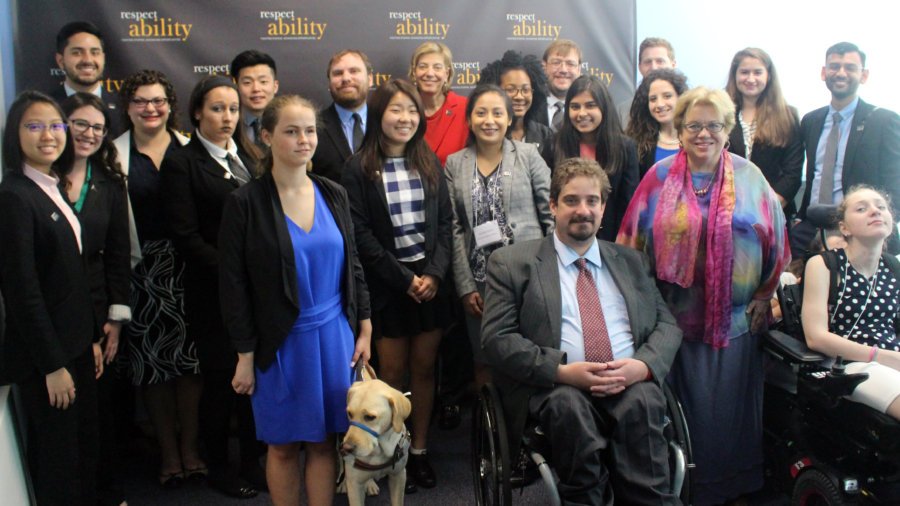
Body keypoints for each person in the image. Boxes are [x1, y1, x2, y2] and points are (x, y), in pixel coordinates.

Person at [617, 86, 790, 505]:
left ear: (727, 130)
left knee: (729, 414)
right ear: (680, 129)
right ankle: (687, 487)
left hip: (735, 325)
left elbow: (778, 242)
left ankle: (732, 488)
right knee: (684, 417)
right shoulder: (656, 179)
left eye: (713, 124)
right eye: (693, 125)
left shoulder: (750, 176)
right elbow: (629, 246)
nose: (703, 133)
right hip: (671, 324)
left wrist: (765, 295)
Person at [481, 157, 682, 505]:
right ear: (553, 205)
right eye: (572, 200)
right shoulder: (513, 263)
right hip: (557, 387)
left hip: (628, 380)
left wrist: (643, 366)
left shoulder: (631, 262)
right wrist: (560, 371)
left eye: (592, 201)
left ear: (603, 208)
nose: (583, 210)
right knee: (568, 407)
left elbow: (667, 325)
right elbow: (497, 338)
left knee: (646, 400)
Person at [220, 94, 372, 505]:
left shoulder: (333, 193)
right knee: (284, 445)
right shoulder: (244, 203)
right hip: (278, 344)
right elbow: (233, 286)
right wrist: (245, 355)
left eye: (309, 131)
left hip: (335, 335)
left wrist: (365, 324)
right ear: (267, 136)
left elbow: (353, 264)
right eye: (291, 131)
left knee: (325, 442)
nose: (303, 139)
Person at [342, 79, 453, 490]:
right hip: (388, 287)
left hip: (429, 285)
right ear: (378, 115)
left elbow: (444, 225)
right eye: (395, 110)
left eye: (411, 110)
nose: (405, 118)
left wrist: (435, 275)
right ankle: (382, 457)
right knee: (388, 376)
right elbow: (360, 234)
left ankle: (417, 451)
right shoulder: (357, 167)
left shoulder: (428, 160)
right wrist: (404, 278)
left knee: (424, 370)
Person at [160, 74, 263, 499]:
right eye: (217, 108)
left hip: (258, 292)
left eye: (233, 109)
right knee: (222, 382)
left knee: (255, 381)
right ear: (198, 111)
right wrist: (233, 273)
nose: (227, 117)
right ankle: (220, 466)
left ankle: (254, 462)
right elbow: (185, 236)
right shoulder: (181, 162)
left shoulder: (251, 156)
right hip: (214, 292)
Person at [0, 90, 97, 505]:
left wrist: (89, 338)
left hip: (74, 345)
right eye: (34, 126)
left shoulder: (50, 187)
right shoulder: (14, 196)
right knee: (57, 463)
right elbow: (23, 292)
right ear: (14, 134)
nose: (48, 135)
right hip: (47, 359)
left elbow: (71, 279)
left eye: (55, 125)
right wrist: (53, 364)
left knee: (78, 454)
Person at [113, 69, 202, 490]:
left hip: (190, 270)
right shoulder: (112, 156)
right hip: (141, 271)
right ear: (127, 108)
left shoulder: (191, 148)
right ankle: (168, 453)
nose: (150, 108)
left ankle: (191, 450)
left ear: (171, 105)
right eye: (140, 101)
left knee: (191, 366)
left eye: (158, 100)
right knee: (152, 368)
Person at [445, 84, 553, 388]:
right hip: (480, 282)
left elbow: (551, 213)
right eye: (480, 112)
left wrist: (551, 271)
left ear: (509, 119)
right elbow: (454, 228)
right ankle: (488, 427)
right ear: (469, 120)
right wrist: (466, 286)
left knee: (532, 355)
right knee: (484, 359)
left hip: (530, 276)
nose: (488, 120)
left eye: (497, 113)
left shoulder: (529, 155)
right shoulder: (455, 164)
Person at [60, 92, 131, 506]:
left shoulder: (109, 182)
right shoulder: (42, 179)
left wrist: (115, 319)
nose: (88, 134)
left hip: (100, 309)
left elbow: (119, 253)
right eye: (80, 124)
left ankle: (106, 490)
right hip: (59, 308)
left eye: (98, 128)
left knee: (101, 412)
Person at [801, 186, 900, 420]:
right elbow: (816, 337)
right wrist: (883, 356)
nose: (875, 211)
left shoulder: (894, 268)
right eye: (862, 208)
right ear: (844, 228)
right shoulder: (823, 264)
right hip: (847, 366)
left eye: (881, 207)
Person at [793, 42, 900, 257]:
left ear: (864, 75)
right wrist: (799, 219)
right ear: (824, 73)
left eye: (850, 67)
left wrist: (872, 227)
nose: (841, 73)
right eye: (834, 66)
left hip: (861, 233)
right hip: (810, 229)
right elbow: (813, 174)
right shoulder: (811, 121)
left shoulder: (884, 121)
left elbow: (895, 186)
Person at [543, 75, 639, 242]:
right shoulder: (554, 144)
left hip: (612, 240)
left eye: (590, 106)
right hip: (565, 237)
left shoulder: (625, 147)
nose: (582, 113)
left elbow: (629, 204)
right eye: (575, 107)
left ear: (604, 108)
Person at [726, 47, 803, 218]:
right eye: (744, 72)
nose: (751, 78)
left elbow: (793, 173)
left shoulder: (788, 116)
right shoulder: (720, 114)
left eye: (757, 72)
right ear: (735, 75)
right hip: (727, 213)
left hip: (774, 213)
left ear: (768, 75)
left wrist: (765, 210)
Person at [49, 21, 123, 136]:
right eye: (77, 53)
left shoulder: (123, 108)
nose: (88, 60)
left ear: (103, 58)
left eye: (95, 52)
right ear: (60, 60)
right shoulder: (46, 107)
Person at [311, 49, 373, 183]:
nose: (346, 78)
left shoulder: (385, 122)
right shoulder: (313, 127)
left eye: (354, 71)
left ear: (370, 79)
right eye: (338, 73)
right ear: (329, 83)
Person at [479, 50, 554, 153]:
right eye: (510, 90)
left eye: (526, 90)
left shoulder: (544, 135)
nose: (519, 96)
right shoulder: (487, 133)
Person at [409, 42, 468, 166]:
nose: (430, 73)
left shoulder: (465, 108)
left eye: (437, 67)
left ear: (447, 74)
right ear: (414, 72)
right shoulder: (405, 110)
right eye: (423, 66)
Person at [626, 68, 688, 177]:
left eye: (667, 96)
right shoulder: (637, 144)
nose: (659, 104)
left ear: (681, 97)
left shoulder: (696, 138)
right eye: (653, 99)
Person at [230, 50, 279, 148]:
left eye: (263, 81)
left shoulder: (287, 122)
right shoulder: (228, 125)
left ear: (275, 86)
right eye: (247, 82)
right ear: (236, 87)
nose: (256, 89)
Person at [538, 39, 582, 131]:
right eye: (556, 62)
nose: (563, 70)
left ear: (579, 70)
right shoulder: (531, 106)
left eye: (570, 64)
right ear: (544, 66)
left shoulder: (588, 108)